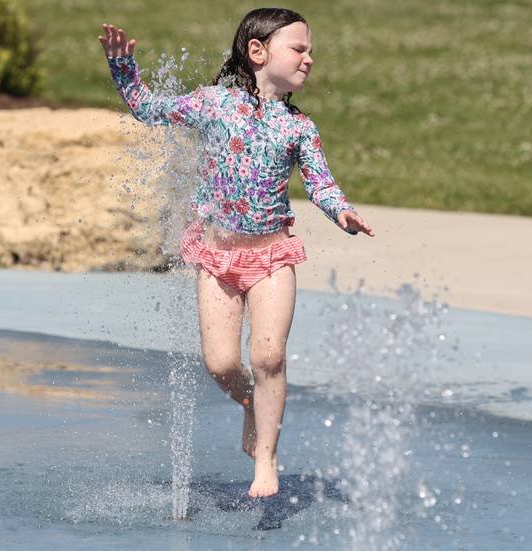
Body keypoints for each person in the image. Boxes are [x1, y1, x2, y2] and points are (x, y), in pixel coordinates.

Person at [99, 8, 374, 498]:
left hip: (273, 257)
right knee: (222, 363)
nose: (309, 59)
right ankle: (250, 404)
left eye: (310, 50)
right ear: (257, 51)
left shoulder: (299, 128)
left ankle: (266, 458)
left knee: (269, 356)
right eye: (299, 48)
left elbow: (320, 184)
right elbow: (147, 108)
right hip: (217, 257)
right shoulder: (213, 105)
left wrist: (342, 211)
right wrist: (123, 68)